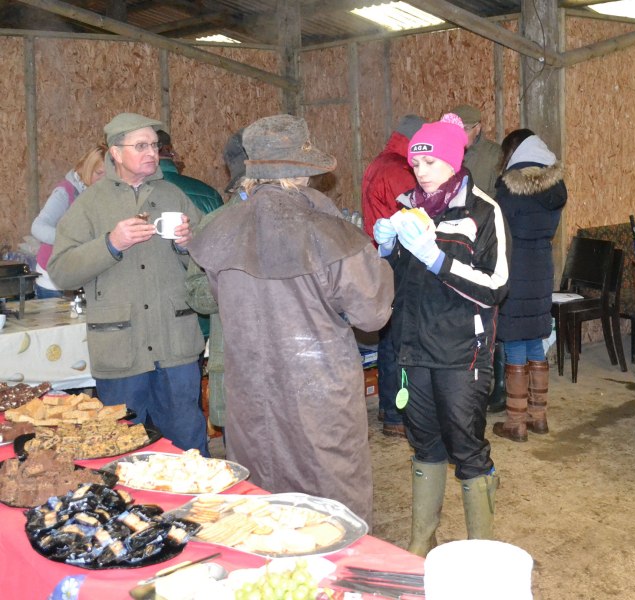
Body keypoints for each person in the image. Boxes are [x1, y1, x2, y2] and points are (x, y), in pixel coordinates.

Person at [187, 115, 393, 524]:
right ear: (304, 170)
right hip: (320, 401)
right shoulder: (332, 236)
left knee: (262, 512)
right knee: (331, 517)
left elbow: (216, 297)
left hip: (251, 400)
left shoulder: (218, 232)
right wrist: (380, 259)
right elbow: (373, 315)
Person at [372, 113, 510, 556]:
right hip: (414, 349)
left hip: (462, 354)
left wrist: (436, 259)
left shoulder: (482, 211)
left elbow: (495, 287)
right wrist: (387, 250)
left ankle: (481, 550)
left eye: (430, 162)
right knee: (424, 442)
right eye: (416, 163)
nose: (421, 170)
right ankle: (421, 540)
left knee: (467, 447)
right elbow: (394, 284)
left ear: (453, 161)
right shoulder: (407, 209)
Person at [48, 112, 208, 455]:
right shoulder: (89, 205)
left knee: (190, 449)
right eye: (141, 145)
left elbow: (208, 260)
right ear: (115, 153)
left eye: (154, 144)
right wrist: (110, 244)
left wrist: (189, 243)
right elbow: (60, 271)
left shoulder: (174, 196)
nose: (152, 152)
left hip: (175, 347)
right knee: (120, 451)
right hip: (121, 351)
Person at [491, 129, 566, 442]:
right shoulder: (557, 187)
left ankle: (516, 422)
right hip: (542, 265)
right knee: (536, 337)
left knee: (513, 342)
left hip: (514, 265)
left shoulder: (508, 188)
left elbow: (497, 230)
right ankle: (539, 416)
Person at [361, 114, 426, 438]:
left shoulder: (378, 163)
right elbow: (419, 217)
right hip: (399, 261)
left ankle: (390, 409)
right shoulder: (400, 171)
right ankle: (398, 414)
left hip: (381, 259)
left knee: (389, 336)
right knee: (401, 339)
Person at [185, 130, 248, 435]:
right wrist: (233, 283)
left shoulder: (298, 219)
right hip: (240, 373)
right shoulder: (215, 225)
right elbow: (196, 294)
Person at [449, 103, 506, 414]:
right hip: (457, 240)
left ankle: (495, 384)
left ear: (478, 127)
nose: (462, 134)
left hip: (484, 237)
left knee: (486, 311)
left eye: (466, 128)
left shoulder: (495, 155)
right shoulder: (450, 152)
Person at [157, 129, 224, 340]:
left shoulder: (136, 197)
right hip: (202, 313)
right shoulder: (208, 193)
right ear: (172, 153)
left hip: (156, 315)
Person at [31, 144, 107, 298]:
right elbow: (38, 227)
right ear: (87, 169)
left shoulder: (103, 195)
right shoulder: (65, 192)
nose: (103, 179)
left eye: (109, 175)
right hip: (52, 278)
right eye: (99, 173)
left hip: (81, 275)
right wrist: (71, 240)